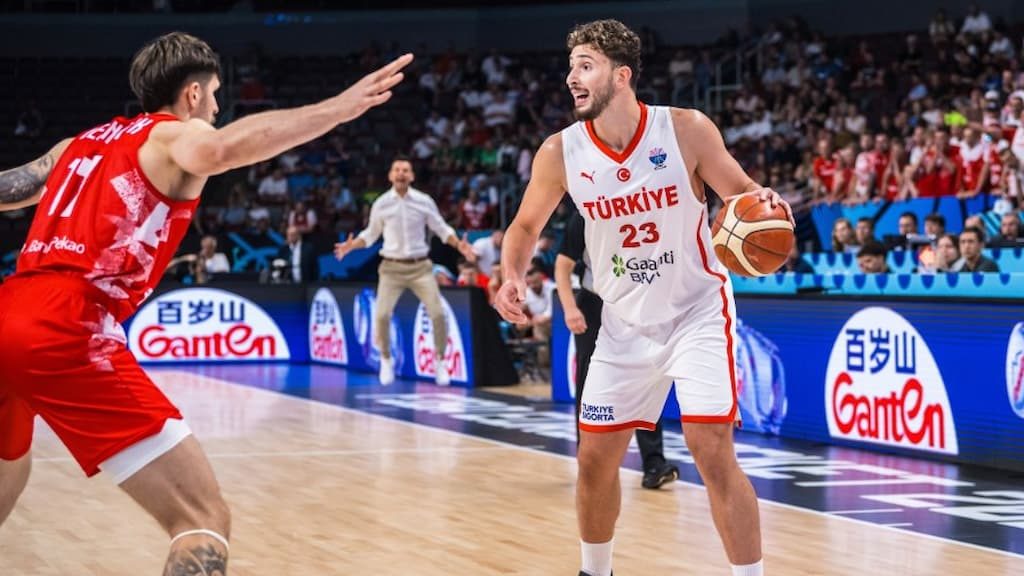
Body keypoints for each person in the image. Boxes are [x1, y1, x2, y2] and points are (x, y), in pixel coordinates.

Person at [0, 32, 411, 574]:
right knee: (201, 518)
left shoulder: (79, 144)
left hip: (10, 304)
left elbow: (11, 187)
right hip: (67, 323)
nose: (216, 108)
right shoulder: (174, 137)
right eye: (214, 95)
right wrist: (337, 109)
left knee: (10, 466)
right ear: (192, 94)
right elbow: (221, 149)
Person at [495, 19, 787, 576]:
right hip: (623, 322)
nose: (571, 77)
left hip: (696, 311)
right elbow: (525, 226)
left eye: (585, 65)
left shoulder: (686, 130)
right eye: (571, 66)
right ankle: (594, 571)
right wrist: (511, 273)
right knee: (594, 459)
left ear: (621, 75)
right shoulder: (560, 152)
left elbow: (744, 196)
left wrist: (768, 209)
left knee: (710, 448)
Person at [555, 210, 680, 489]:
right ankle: (588, 461)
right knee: (589, 384)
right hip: (594, 303)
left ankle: (654, 463)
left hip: (636, 303)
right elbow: (562, 266)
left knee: (648, 380)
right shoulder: (584, 213)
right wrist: (569, 308)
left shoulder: (641, 207)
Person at [334, 157, 477, 386]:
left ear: (412, 176)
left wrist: (459, 244)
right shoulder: (381, 203)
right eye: (397, 170)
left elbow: (441, 228)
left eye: (406, 170)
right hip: (391, 268)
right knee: (381, 316)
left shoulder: (424, 201)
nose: (401, 174)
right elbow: (370, 234)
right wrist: (351, 246)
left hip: (420, 267)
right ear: (390, 175)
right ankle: (386, 359)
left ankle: (440, 361)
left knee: (438, 314)